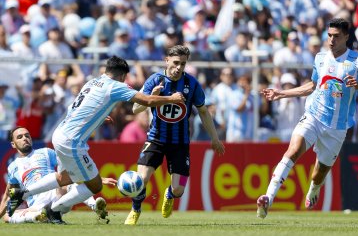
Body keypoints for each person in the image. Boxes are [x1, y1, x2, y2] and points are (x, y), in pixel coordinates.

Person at [7, 56, 185, 224]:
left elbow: (73, 108)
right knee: (95, 185)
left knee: (64, 177)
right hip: (72, 142)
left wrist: (99, 117)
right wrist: (171, 98)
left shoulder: (91, 82)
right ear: (122, 76)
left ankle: (22, 192)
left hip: (59, 133)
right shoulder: (116, 85)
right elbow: (145, 100)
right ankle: (54, 210)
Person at [256, 18, 358, 219]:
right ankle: (268, 198)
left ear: (346, 36)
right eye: (329, 36)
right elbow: (312, 86)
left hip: (337, 126)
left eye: (336, 36)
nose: (331, 40)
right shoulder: (320, 58)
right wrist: (281, 93)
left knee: (319, 173)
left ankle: (314, 190)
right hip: (313, 115)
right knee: (292, 151)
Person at [124, 45, 225, 225]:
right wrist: (151, 98)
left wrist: (214, 138)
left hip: (180, 142)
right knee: (141, 180)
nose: (179, 67)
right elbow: (135, 108)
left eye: (183, 64)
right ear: (167, 60)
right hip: (155, 138)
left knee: (179, 189)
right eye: (176, 63)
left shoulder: (192, 84)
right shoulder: (154, 80)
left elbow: (203, 111)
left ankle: (170, 194)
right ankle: (135, 209)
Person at [0, 126, 114, 224]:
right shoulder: (13, 167)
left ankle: (95, 206)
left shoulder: (45, 152)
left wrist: (99, 179)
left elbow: (71, 168)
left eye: (27, 135)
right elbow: (7, 196)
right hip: (37, 203)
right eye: (20, 137)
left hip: (57, 192)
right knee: (7, 216)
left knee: (68, 182)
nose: (25, 138)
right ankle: (39, 215)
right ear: (13, 144)